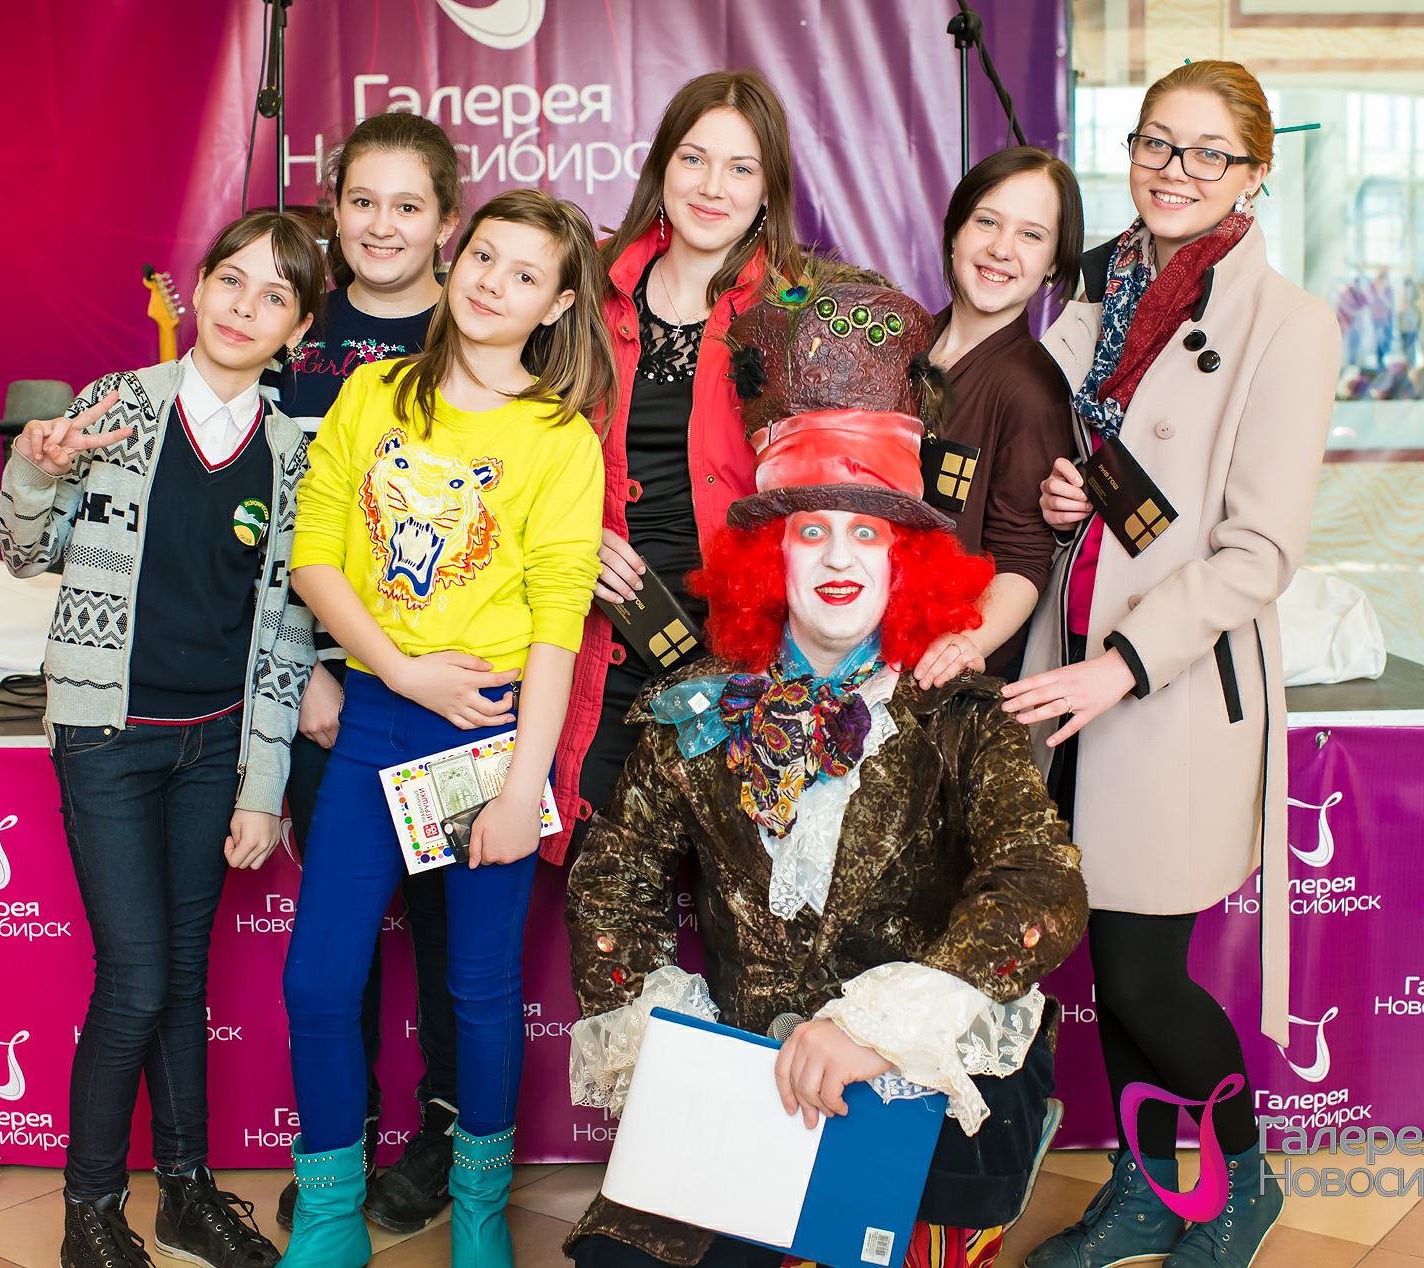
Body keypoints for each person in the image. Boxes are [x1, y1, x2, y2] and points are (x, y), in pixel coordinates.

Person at [562, 271, 1088, 1268]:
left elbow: (1038, 882)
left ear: (903, 560)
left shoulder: (959, 711)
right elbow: (613, 881)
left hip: (916, 1077)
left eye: (866, 532)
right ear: (772, 555)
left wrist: (879, 1025)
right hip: (754, 1080)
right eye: (811, 531)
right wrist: (675, 1036)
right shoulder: (695, 706)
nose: (838, 558)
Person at [1002, 60, 1342, 1268]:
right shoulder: (1100, 290)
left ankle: (1243, 1182)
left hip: (1168, 686)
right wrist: (1064, 503)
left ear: (1253, 173)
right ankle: (1149, 1190)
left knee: (1144, 972)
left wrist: (1123, 663)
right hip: (1064, 665)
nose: (1173, 170)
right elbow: (1112, 475)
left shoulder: (1288, 325)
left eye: (1206, 152)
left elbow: (1257, 552)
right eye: (1155, 142)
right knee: (1109, 960)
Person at [279, 188, 614, 1268]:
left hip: (488, 738)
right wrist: (400, 670)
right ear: (454, 258)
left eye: (526, 274)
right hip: (381, 713)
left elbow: (558, 626)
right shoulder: (374, 393)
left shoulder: (559, 439)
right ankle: (330, 1214)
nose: (492, 283)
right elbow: (314, 555)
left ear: (556, 305)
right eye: (483, 256)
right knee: (317, 980)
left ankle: (478, 1209)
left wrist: (524, 789)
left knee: (476, 989)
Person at [0, 211, 325, 1268]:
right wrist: (35, 471)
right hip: (107, 736)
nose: (243, 307)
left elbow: (285, 635)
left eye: (274, 297)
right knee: (137, 978)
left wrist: (261, 783)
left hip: (213, 746)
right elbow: (24, 550)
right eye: (231, 280)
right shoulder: (121, 404)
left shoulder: (293, 455)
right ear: (200, 283)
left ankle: (185, 1192)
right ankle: (90, 1212)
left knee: (183, 978)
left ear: (297, 330)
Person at [271, 109, 467, 1240]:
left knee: (450, 933)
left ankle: (443, 1133)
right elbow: (260, 534)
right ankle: (339, 1141)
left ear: (447, 221)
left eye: (408, 205)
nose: (382, 225)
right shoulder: (291, 336)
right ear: (332, 211)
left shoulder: (482, 331)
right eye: (361, 202)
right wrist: (301, 675)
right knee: (337, 947)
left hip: (456, 699)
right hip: (329, 698)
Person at [550, 69, 804, 862]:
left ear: (768, 191)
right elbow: (510, 449)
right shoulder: (585, 289)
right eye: (693, 158)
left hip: (740, 657)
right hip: (596, 638)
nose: (712, 186)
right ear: (662, 165)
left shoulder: (793, 316)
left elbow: (822, 497)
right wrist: (571, 536)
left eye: (740, 167)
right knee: (596, 889)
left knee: (735, 893)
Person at [912, 148, 1084, 688]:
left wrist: (962, 647)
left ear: (1054, 261)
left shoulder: (1032, 389)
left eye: (1031, 235)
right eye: (987, 221)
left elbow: (1024, 558)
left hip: (940, 673)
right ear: (955, 232)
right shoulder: (898, 345)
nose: (1001, 249)